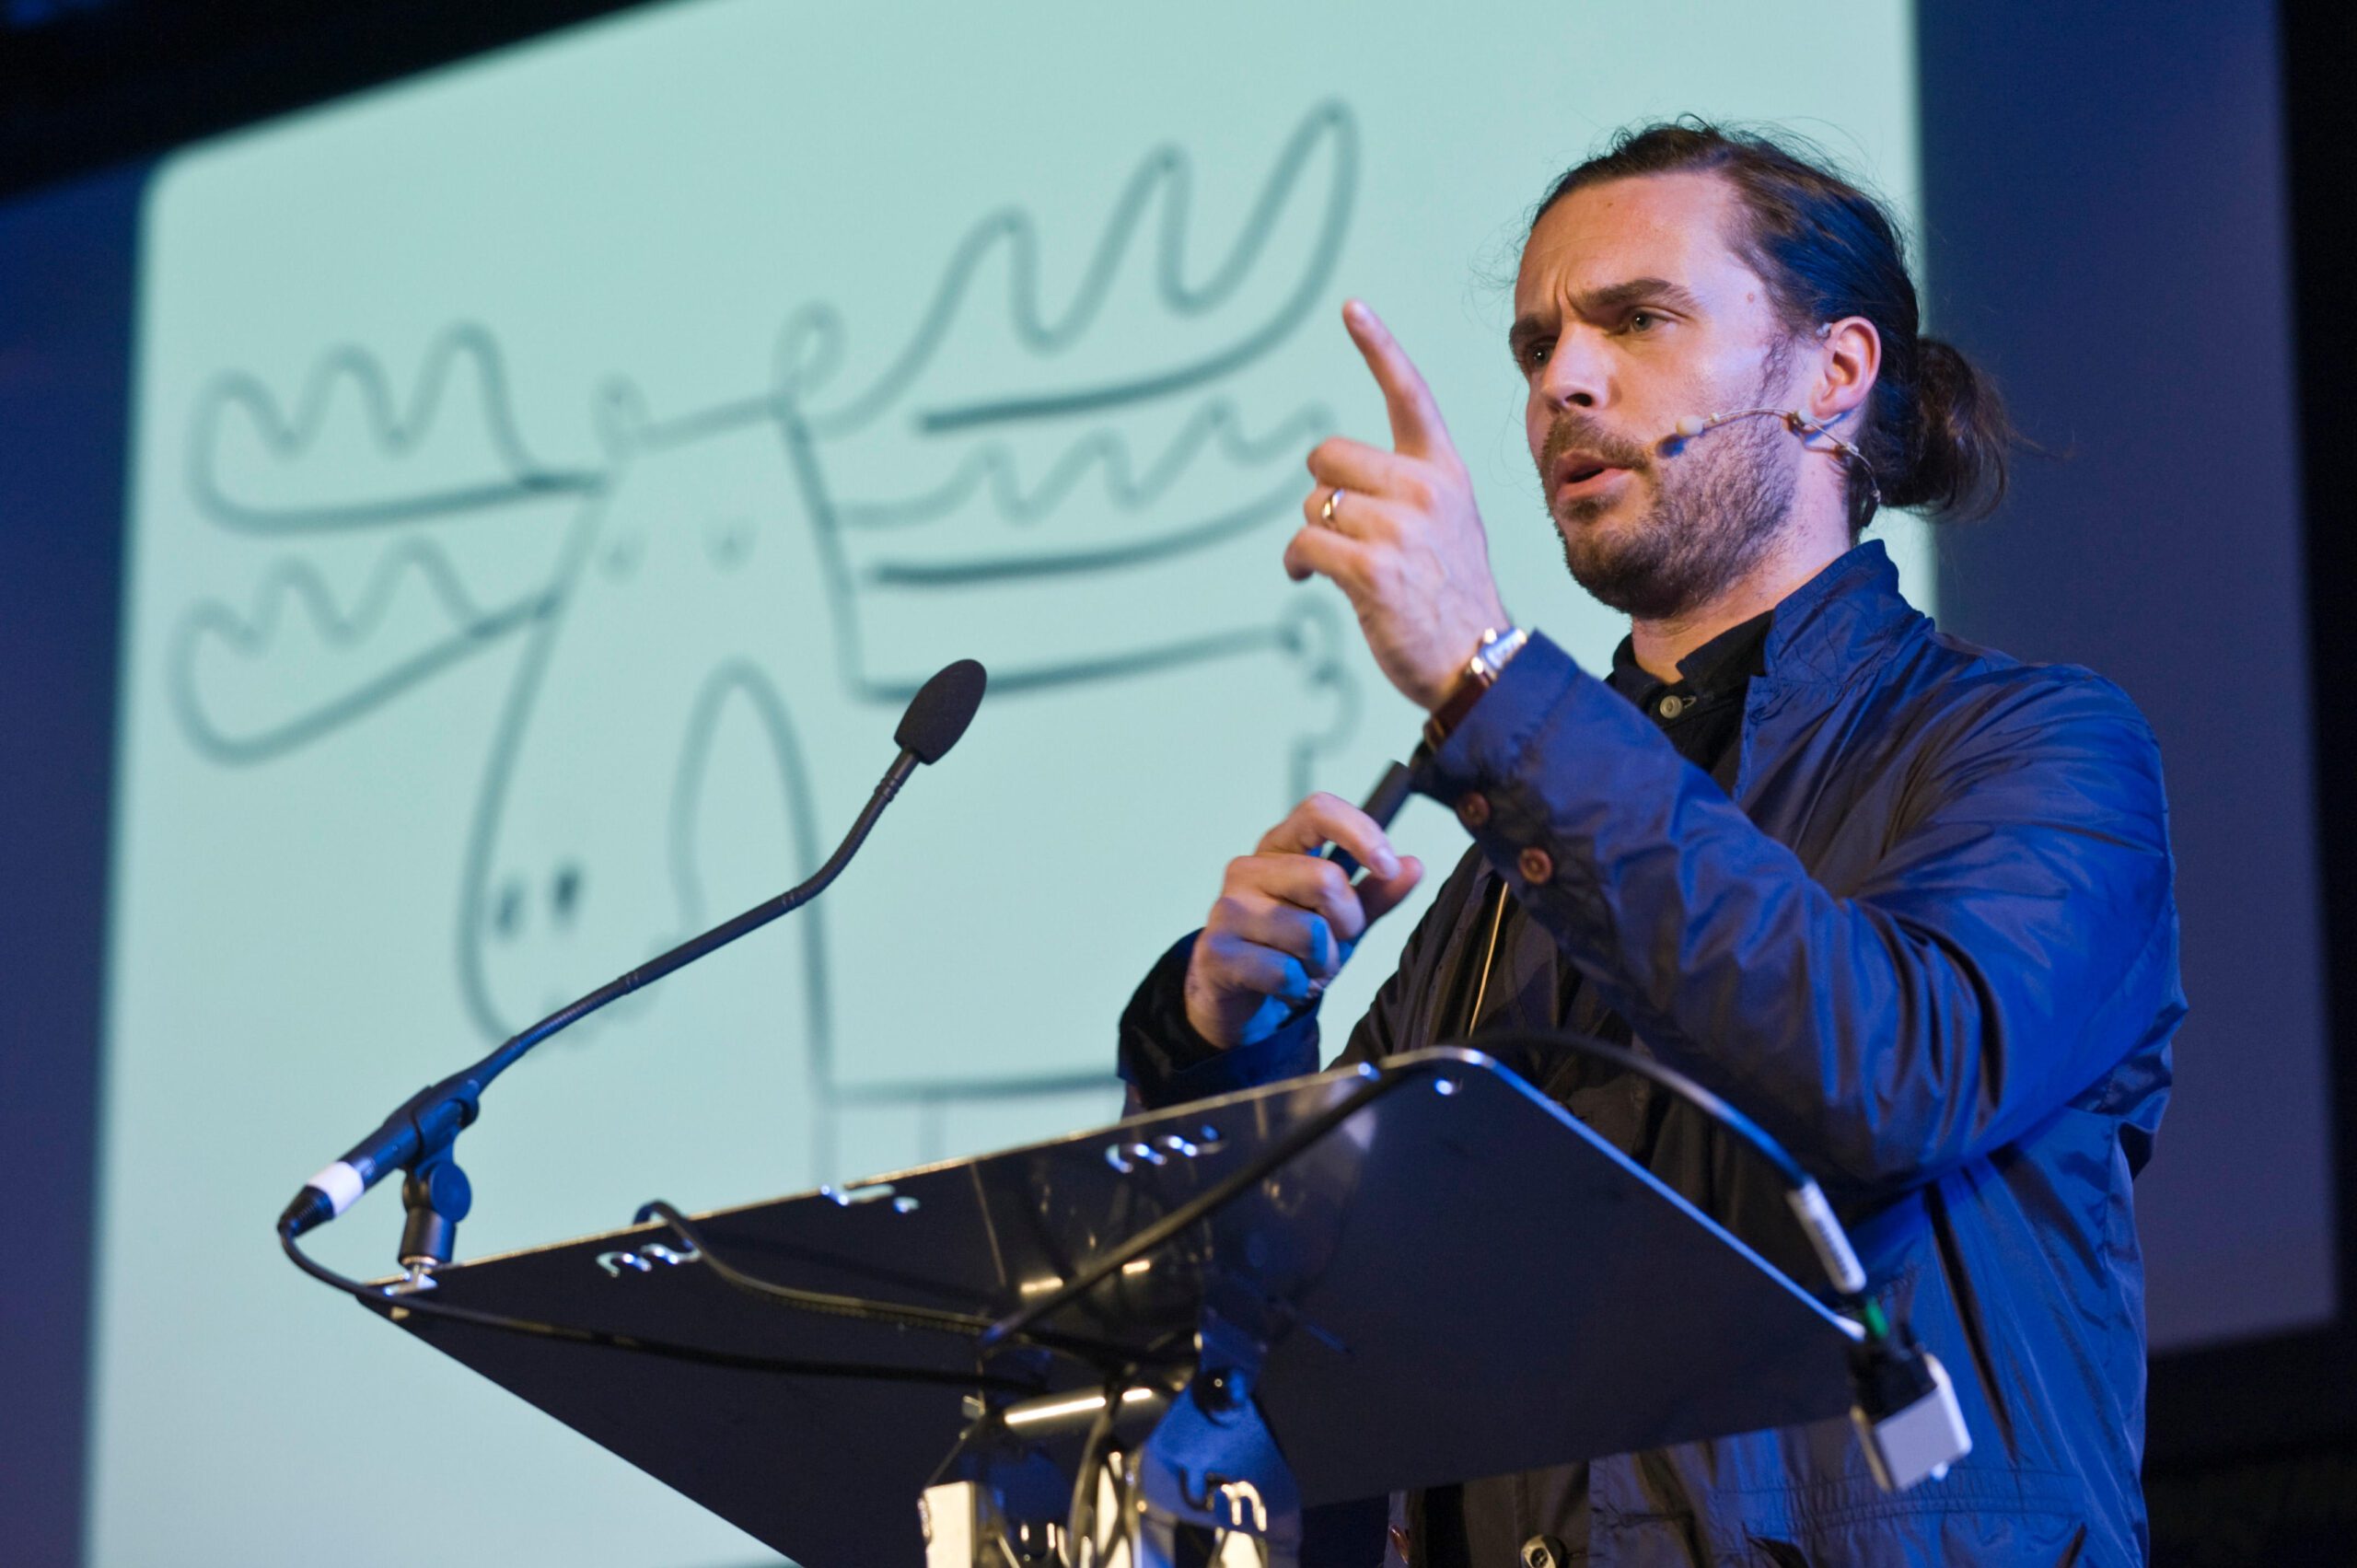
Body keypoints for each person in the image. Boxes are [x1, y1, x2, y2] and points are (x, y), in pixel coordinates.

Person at [1115, 122, 2181, 1567]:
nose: (1563, 379)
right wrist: (1229, 1039)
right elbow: (1299, 1332)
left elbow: (1889, 1071)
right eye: (1537, 343)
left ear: (1833, 375)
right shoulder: (1508, 858)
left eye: (1637, 319)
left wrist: (1491, 684)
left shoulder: (2033, 747)